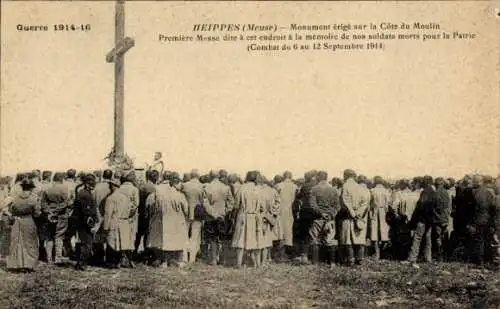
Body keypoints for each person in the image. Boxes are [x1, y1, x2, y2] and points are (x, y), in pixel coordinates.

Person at [147, 173, 189, 268]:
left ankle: (164, 261)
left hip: (164, 219)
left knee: (165, 240)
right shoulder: (179, 195)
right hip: (177, 220)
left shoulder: (160, 195)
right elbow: (186, 209)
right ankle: (179, 260)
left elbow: (154, 206)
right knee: (178, 240)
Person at [5, 179, 42, 272]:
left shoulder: (15, 198)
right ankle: (28, 264)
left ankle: (16, 264)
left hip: (17, 221)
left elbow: (11, 210)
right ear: (31, 188)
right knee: (30, 242)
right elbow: (37, 213)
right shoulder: (33, 199)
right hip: (28, 220)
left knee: (17, 242)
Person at [232, 171, 265, 268]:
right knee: (257, 239)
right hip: (255, 217)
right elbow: (262, 206)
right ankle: (258, 264)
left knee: (240, 239)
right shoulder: (259, 190)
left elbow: (236, 205)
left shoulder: (241, 188)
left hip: (243, 216)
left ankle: (238, 263)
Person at [307, 171, 340, 267]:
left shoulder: (314, 189)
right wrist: (331, 215)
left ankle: (315, 263)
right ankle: (332, 263)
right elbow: (337, 206)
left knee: (314, 239)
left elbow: (312, 204)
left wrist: (322, 213)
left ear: (318, 178)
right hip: (330, 219)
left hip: (317, 218)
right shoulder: (333, 190)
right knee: (330, 240)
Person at [402, 175, 436, 268]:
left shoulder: (425, 192)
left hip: (422, 219)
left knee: (417, 238)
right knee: (428, 239)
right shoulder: (433, 191)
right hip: (430, 219)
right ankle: (428, 258)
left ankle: (412, 259)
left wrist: (413, 220)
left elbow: (420, 207)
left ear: (426, 182)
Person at [202, 170, 234, 265]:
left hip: (210, 217)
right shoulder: (225, 187)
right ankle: (222, 258)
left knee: (212, 238)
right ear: (218, 176)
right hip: (222, 216)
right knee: (222, 238)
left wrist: (213, 213)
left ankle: (213, 259)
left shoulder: (206, 187)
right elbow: (231, 202)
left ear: (210, 176)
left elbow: (205, 203)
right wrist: (225, 212)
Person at [103, 178, 136, 268]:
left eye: (110, 185)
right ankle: (122, 261)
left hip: (115, 222)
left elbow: (108, 214)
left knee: (112, 242)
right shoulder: (125, 197)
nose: (109, 187)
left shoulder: (110, 198)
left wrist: (105, 227)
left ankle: (113, 262)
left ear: (113, 186)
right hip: (125, 222)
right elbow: (132, 209)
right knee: (123, 242)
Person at [338, 169, 368, 266]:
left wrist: (353, 214)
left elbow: (345, 202)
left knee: (348, 239)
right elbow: (365, 202)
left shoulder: (345, 186)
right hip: (359, 216)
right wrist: (359, 213)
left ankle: (350, 260)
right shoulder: (360, 187)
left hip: (348, 216)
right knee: (359, 238)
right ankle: (360, 259)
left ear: (345, 176)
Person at [40, 172, 70, 264]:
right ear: (62, 180)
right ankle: (58, 257)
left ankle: (49, 258)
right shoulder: (65, 189)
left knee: (49, 237)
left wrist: (49, 211)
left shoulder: (47, 189)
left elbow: (43, 203)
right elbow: (66, 203)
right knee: (59, 236)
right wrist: (57, 210)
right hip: (61, 215)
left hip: (49, 216)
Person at [72, 174, 100, 271]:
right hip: (84, 222)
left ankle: (81, 263)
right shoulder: (85, 194)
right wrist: (91, 223)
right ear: (88, 183)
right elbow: (86, 211)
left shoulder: (83, 192)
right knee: (87, 243)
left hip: (81, 222)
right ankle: (81, 264)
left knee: (85, 243)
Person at [467, 175, 495, 267]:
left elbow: (470, 209)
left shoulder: (473, 193)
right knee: (487, 240)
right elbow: (493, 207)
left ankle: (480, 261)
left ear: (476, 182)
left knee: (479, 240)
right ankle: (488, 260)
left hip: (477, 220)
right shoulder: (489, 193)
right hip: (487, 219)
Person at [181, 169, 206, 264]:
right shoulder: (201, 186)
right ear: (198, 176)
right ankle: (192, 257)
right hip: (197, 213)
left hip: (186, 213)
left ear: (191, 176)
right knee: (195, 236)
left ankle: (184, 257)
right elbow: (202, 201)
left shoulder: (184, 185)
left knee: (184, 235)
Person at [135, 170, 158, 261]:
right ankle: (146, 253)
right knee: (147, 235)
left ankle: (135, 251)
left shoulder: (142, 186)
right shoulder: (153, 188)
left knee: (139, 234)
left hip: (141, 213)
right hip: (149, 214)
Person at [274, 171, 298, 261]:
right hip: (290, 211)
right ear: (291, 177)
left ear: (283, 177)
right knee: (289, 232)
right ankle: (287, 253)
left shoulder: (278, 186)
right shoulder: (295, 187)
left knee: (280, 232)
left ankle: (280, 253)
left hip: (280, 211)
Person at [369, 176, 391, 260]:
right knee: (384, 232)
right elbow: (388, 203)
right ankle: (384, 253)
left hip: (375, 211)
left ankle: (376, 254)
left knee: (374, 233)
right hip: (384, 212)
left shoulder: (372, 191)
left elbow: (370, 203)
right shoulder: (386, 191)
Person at [433, 178, 451, 262]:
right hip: (445, 218)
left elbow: (437, 208)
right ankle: (446, 255)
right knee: (444, 236)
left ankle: (440, 256)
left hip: (438, 218)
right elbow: (447, 207)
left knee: (438, 237)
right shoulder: (446, 193)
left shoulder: (436, 194)